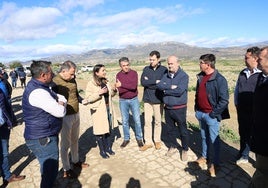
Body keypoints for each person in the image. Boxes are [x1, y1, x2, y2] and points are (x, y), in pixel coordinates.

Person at [22, 60, 67, 188]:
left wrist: (60, 100)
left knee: (47, 168)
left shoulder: (40, 87)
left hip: (43, 135)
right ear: (43, 75)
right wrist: (61, 103)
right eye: (50, 72)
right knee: (50, 170)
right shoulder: (39, 92)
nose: (53, 74)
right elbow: (60, 111)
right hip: (43, 138)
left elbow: (60, 98)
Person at [194, 54, 229, 177]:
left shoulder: (220, 79)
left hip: (211, 115)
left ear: (208, 65)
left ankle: (215, 163)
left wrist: (213, 114)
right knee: (204, 137)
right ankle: (204, 157)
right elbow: (197, 94)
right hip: (201, 113)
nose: (200, 65)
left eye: (201, 63)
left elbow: (224, 100)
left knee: (214, 140)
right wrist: (196, 109)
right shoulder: (201, 77)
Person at [52, 60, 89, 178]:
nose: (74, 76)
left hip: (76, 113)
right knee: (65, 143)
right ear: (64, 71)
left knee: (75, 140)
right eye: (72, 73)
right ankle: (66, 168)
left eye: (74, 74)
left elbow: (76, 95)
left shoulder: (72, 80)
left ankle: (76, 160)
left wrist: (82, 100)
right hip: (64, 117)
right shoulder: (55, 82)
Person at [156, 55, 189, 161]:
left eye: (172, 63)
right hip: (168, 108)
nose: (170, 66)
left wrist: (166, 90)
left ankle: (184, 149)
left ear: (178, 63)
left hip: (180, 108)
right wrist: (170, 87)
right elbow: (159, 85)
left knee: (182, 130)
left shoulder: (184, 76)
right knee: (170, 130)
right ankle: (173, 146)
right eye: (168, 63)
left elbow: (179, 91)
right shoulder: (166, 75)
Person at [83, 64, 118, 159]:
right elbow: (88, 98)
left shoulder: (106, 81)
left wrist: (114, 89)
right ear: (96, 73)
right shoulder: (91, 83)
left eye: (105, 70)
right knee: (100, 131)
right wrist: (99, 93)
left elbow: (111, 94)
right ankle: (102, 151)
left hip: (108, 108)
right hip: (98, 110)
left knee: (107, 129)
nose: (105, 72)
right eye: (103, 71)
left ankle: (108, 148)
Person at [234, 47, 261, 165]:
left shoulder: (262, 75)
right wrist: (236, 103)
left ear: (255, 58)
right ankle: (243, 154)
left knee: (256, 135)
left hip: (256, 112)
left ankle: (258, 159)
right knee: (243, 132)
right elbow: (237, 89)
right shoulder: (243, 73)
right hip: (242, 109)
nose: (244, 60)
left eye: (246, 57)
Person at [140, 50, 167, 151]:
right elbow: (143, 82)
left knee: (157, 121)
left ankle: (157, 140)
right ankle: (148, 142)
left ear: (158, 59)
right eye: (150, 59)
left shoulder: (164, 70)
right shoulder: (146, 69)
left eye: (153, 59)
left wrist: (150, 83)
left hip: (158, 99)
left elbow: (163, 83)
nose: (151, 61)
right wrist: (155, 82)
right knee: (147, 121)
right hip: (147, 99)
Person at [0, 79, 25, 186]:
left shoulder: (0, 91)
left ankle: (7, 176)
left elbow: (6, 106)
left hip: (3, 126)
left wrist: (12, 121)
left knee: (4, 153)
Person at [249, 46, 268, 188]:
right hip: (261, 136)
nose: (257, 60)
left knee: (261, 175)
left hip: (266, 141)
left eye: (260, 58)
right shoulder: (262, 77)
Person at [115, 57, 144, 148]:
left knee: (137, 120)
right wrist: (123, 87)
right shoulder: (118, 75)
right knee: (125, 121)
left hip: (134, 99)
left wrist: (122, 85)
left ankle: (139, 138)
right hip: (123, 100)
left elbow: (133, 87)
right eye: (124, 66)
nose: (126, 67)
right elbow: (119, 90)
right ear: (120, 66)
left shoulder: (134, 73)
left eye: (127, 65)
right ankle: (126, 139)